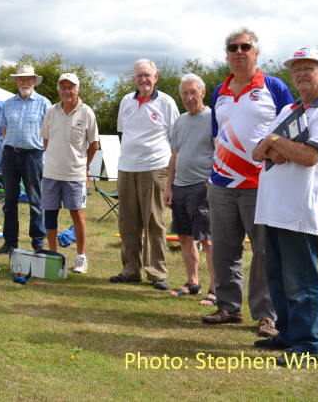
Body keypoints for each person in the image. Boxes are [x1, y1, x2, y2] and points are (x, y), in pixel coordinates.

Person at [251, 48, 318, 366]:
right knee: (276, 276)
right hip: (273, 208)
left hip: (298, 210)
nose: (302, 73)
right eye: (297, 69)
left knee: (301, 279)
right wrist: (278, 145)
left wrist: (276, 143)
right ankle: (288, 335)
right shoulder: (289, 109)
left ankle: (308, 345)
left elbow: (309, 156)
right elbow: (256, 152)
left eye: (310, 68)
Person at [202, 27, 293, 339]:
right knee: (225, 250)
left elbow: (291, 130)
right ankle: (229, 307)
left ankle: (267, 315)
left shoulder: (275, 87)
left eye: (245, 46)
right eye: (232, 47)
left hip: (261, 183)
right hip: (221, 184)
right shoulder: (219, 91)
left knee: (266, 252)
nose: (238, 51)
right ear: (227, 54)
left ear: (256, 53)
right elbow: (216, 134)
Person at [110, 59, 179, 289]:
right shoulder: (126, 101)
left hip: (155, 168)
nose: (143, 80)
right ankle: (131, 270)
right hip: (127, 168)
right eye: (139, 76)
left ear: (155, 77)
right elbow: (124, 133)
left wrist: (171, 174)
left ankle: (157, 273)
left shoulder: (166, 103)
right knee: (127, 223)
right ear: (134, 79)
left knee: (154, 222)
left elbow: (175, 140)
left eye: (147, 75)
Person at [164, 74, 216, 303]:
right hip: (180, 187)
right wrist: (169, 187)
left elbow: (222, 153)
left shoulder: (214, 117)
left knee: (208, 240)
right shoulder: (180, 121)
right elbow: (174, 156)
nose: (188, 97)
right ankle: (193, 283)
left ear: (203, 92)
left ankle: (215, 289)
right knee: (185, 238)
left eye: (193, 92)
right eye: (184, 93)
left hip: (202, 187)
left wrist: (209, 182)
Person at [40, 73, 99, 273]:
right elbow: (46, 141)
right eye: (63, 87)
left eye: (71, 87)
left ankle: (81, 258)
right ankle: (54, 256)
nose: (67, 91)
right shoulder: (51, 111)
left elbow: (94, 144)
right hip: (50, 173)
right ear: (59, 90)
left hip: (75, 175)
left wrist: (83, 165)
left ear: (77, 89)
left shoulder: (87, 112)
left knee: (77, 213)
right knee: (50, 214)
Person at [0, 64, 52, 254]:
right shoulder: (8, 103)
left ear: (34, 81)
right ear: (16, 81)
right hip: (10, 154)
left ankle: (38, 243)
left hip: (33, 155)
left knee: (35, 201)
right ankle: (10, 242)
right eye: (21, 79)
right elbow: (4, 130)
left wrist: (41, 153)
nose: (25, 82)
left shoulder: (45, 103)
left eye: (29, 79)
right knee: (9, 201)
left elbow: (50, 133)